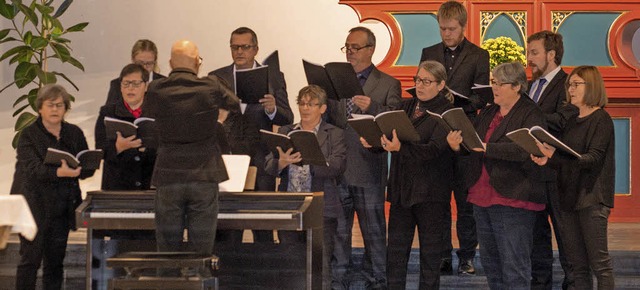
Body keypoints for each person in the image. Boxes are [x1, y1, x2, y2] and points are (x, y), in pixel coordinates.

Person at [447, 62, 547, 289]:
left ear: (517, 86)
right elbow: (475, 143)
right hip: (482, 194)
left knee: (514, 266)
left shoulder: (530, 112)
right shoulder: (490, 110)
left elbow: (526, 149)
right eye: (494, 82)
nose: (495, 87)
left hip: (514, 197)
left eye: (501, 83)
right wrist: (457, 146)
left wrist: (488, 147)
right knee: (491, 265)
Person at [141, 40, 240, 256]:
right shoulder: (210, 86)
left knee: (167, 250)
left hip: (168, 175)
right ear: (197, 62)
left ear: (170, 63)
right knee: (202, 252)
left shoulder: (157, 88)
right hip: (204, 175)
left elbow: (148, 117)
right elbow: (234, 103)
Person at [325, 26, 401, 289]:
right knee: (339, 231)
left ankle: (379, 279)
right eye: (347, 47)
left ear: (371, 49)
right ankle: (339, 278)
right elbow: (330, 121)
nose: (350, 52)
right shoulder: (335, 81)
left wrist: (374, 107)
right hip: (339, 168)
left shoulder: (388, 83)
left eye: (355, 47)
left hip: (368, 168)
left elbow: (395, 122)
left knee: (374, 232)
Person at [366, 60, 454, 289]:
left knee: (430, 257)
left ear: (441, 84)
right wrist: (374, 142)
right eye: (418, 80)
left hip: (431, 194)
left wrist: (400, 148)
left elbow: (434, 150)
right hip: (402, 190)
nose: (420, 85)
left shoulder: (446, 112)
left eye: (427, 81)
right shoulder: (406, 106)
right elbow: (391, 136)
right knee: (395, 254)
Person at [419, 0, 490, 275]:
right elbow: (423, 85)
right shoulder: (429, 52)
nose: (446, 34)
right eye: (442, 29)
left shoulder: (478, 55)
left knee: (465, 200)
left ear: (463, 26)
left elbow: (482, 96)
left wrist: (458, 102)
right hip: (436, 132)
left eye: (451, 29)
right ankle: (442, 255)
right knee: (437, 201)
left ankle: (467, 256)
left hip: (463, 133)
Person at [532, 65, 615, 290]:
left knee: (600, 265)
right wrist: (547, 157)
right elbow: (566, 158)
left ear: (592, 86)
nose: (571, 89)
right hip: (568, 197)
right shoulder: (571, 119)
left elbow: (592, 159)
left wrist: (555, 157)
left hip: (591, 198)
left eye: (576, 84)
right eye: (570, 85)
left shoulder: (601, 119)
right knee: (577, 265)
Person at [210, 27, 293, 243]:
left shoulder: (273, 77)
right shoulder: (217, 77)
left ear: (255, 49)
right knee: (228, 226)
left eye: (245, 47)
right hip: (228, 158)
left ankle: (264, 273)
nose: (239, 52)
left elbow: (287, 117)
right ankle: (228, 272)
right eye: (234, 47)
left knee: (262, 223)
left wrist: (272, 109)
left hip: (260, 157)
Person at [12, 84, 96, 290]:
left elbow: (85, 166)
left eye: (60, 105)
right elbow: (32, 170)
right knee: (29, 262)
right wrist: (59, 172)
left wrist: (85, 167)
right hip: (34, 207)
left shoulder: (74, 133)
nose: (55, 109)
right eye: (50, 105)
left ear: (66, 108)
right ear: (40, 107)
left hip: (61, 208)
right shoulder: (28, 135)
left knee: (55, 264)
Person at [264, 85, 347, 289]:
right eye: (301, 103)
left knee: (321, 268)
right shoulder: (286, 131)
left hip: (321, 209)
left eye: (311, 104)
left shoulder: (334, 134)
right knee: (290, 267)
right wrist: (282, 163)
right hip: (289, 207)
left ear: (323, 108)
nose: (305, 108)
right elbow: (268, 165)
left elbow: (337, 167)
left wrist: (310, 161)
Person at [526, 30, 578, 290]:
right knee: (537, 236)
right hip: (533, 173)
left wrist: (528, 120)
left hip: (557, 173)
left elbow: (563, 120)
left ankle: (573, 283)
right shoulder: (530, 85)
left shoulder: (569, 84)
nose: (529, 58)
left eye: (534, 53)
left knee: (565, 235)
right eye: (528, 52)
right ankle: (541, 283)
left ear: (551, 54)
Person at [95, 63, 156, 190]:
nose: (130, 88)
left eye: (136, 84)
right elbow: (100, 149)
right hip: (118, 184)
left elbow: (168, 148)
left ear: (146, 86)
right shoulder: (108, 112)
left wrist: (148, 148)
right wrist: (117, 147)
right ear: (120, 87)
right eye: (126, 84)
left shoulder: (157, 112)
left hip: (149, 183)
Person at [105, 39, 166, 105]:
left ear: (155, 62)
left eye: (149, 63)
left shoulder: (164, 84)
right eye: (140, 63)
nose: (144, 67)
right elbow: (108, 113)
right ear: (133, 60)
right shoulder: (117, 84)